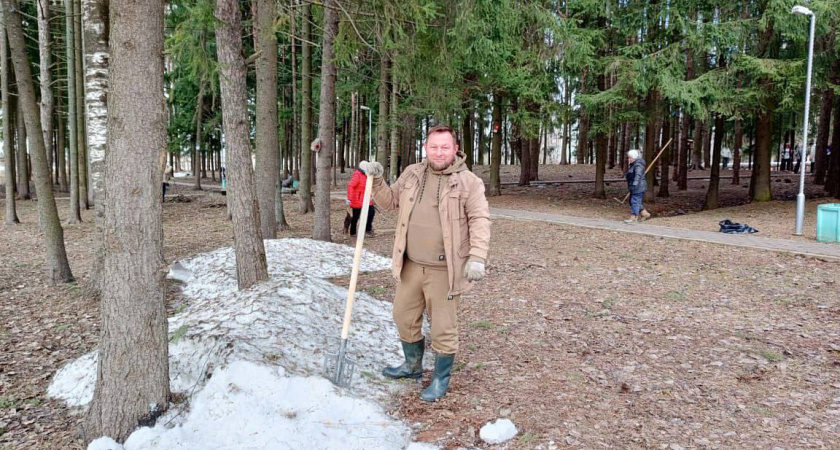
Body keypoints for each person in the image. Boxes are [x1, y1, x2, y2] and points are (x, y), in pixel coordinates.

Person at [358, 125, 491, 402]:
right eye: (434, 147)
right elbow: (390, 202)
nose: (439, 152)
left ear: (455, 149)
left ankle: (440, 379)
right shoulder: (413, 173)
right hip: (411, 265)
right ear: (426, 148)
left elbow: (480, 220)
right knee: (403, 316)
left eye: (445, 147)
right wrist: (378, 180)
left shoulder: (469, 182)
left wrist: (477, 257)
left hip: (445, 270)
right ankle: (412, 366)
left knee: (443, 327)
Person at [346, 165, 376, 237]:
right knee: (355, 216)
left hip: (366, 199)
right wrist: (349, 198)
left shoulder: (368, 176)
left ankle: (368, 230)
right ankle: (352, 232)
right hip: (357, 199)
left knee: (371, 212)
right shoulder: (357, 175)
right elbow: (350, 186)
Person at [624, 149, 650, 223]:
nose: (629, 159)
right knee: (633, 201)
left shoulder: (638, 165)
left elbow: (638, 174)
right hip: (634, 186)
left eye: (630, 157)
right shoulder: (634, 164)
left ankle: (634, 217)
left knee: (634, 201)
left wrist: (635, 183)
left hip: (638, 186)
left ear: (634, 157)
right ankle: (645, 213)